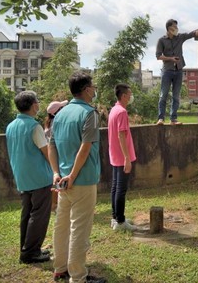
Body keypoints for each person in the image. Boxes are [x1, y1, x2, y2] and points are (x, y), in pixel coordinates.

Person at [48, 72, 106, 283]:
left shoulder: (60, 114)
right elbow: (86, 146)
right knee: (79, 229)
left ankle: (60, 268)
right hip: (82, 180)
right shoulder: (90, 113)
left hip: (63, 181)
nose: (94, 89)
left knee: (61, 226)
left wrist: (57, 173)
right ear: (86, 89)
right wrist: (73, 175)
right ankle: (78, 276)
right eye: (92, 86)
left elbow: (51, 146)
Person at [5, 91, 53, 264]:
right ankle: (31, 253)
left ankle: (26, 248)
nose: (38, 105)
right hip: (39, 177)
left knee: (27, 214)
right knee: (39, 215)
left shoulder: (11, 126)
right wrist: (57, 171)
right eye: (37, 102)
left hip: (22, 177)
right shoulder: (34, 126)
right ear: (33, 105)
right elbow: (46, 152)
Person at [155, 19, 198, 125]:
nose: (176, 28)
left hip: (179, 71)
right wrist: (171, 59)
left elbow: (193, 33)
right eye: (174, 26)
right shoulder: (161, 40)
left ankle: (173, 119)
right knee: (163, 95)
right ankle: (161, 118)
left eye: (177, 26)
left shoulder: (180, 37)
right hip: (167, 71)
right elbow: (158, 56)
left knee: (176, 96)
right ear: (169, 29)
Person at [108, 83, 138, 231]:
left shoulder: (114, 110)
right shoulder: (121, 112)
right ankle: (120, 221)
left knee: (115, 187)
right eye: (130, 94)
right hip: (121, 156)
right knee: (121, 189)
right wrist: (127, 158)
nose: (131, 97)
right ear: (124, 96)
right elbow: (121, 135)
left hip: (115, 154)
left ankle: (115, 217)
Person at [44, 100, 68, 212]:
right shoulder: (56, 124)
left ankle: (55, 205)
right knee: (58, 181)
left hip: (52, 156)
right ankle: (56, 205)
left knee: (55, 181)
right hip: (57, 155)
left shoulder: (48, 124)